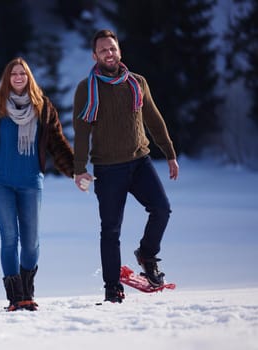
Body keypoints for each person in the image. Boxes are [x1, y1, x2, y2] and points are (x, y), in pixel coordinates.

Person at [72, 29, 179, 303]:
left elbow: (154, 120)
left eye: (113, 48)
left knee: (162, 209)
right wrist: (79, 167)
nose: (110, 53)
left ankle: (147, 254)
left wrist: (169, 153)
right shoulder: (87, 88)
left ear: (119, 51)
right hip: (108, 169)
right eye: (103, 50)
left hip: (140, 162)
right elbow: (81, 131)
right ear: (95, 55)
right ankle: (112, 289)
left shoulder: (137, 82)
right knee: (110, 230)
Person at [0, 57, 74, 311]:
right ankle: (16, 298)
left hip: (30, 182)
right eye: (13, 73)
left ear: (29, 77)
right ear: (7, 78)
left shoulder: (43, 108)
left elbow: (57, 143)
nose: (18, 77)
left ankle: (28, 292)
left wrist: (75, 171)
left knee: (31, 242)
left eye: (23, 73)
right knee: (9, 238)